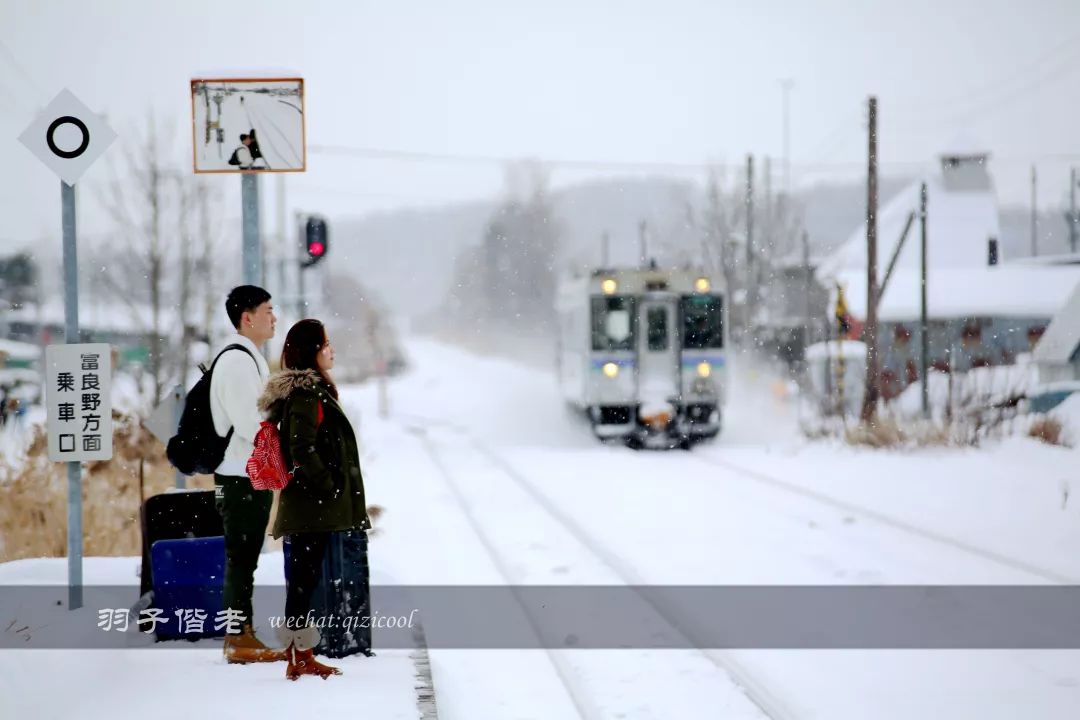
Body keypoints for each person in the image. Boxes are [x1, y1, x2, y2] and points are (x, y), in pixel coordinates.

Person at [257, 319, 370, 680]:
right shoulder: (307, 395)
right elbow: (301, 448)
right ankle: (299, 656)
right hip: (311, 505)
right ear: (311, 351)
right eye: (325, 344)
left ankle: (299, 653)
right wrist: (327, 487)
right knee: (303, 581)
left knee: (303, 580)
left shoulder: (312, 392)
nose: (331, 350)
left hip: (311, 505)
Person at [211, 285, 282, 663]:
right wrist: (283, 452)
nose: (274, 318)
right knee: (241, 558)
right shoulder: (237, 361)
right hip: (239, 476)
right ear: (247, 317)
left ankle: (243, 634)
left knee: (244, 558)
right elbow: (249, 423)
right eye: (268, 310)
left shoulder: (246, 357)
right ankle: (239, 638)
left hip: (246, 474)